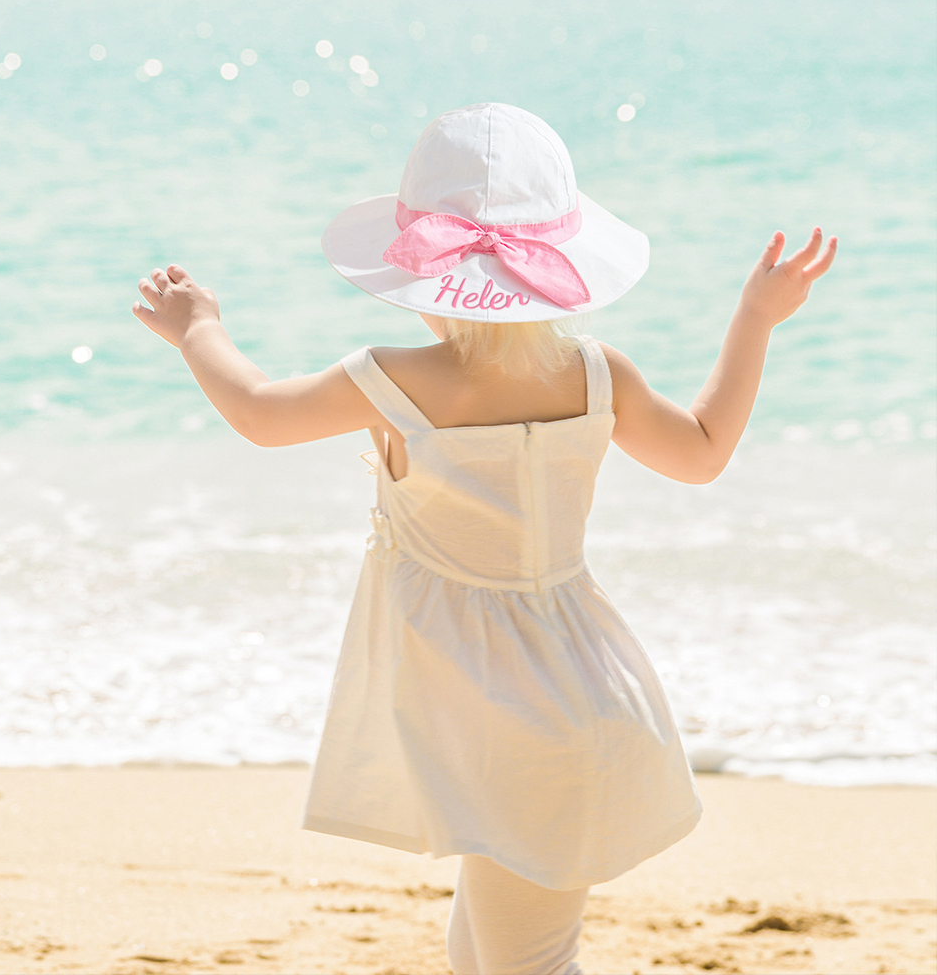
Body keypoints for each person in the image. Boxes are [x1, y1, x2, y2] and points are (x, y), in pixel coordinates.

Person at [132, 103, 836, 975]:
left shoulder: (391, 378)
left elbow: (258, 414)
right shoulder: (595, 373)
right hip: (571, 702)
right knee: (487, 956)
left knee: (522, 966)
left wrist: (198, 327)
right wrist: (756, 319)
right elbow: (701, 452)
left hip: (507, 729)